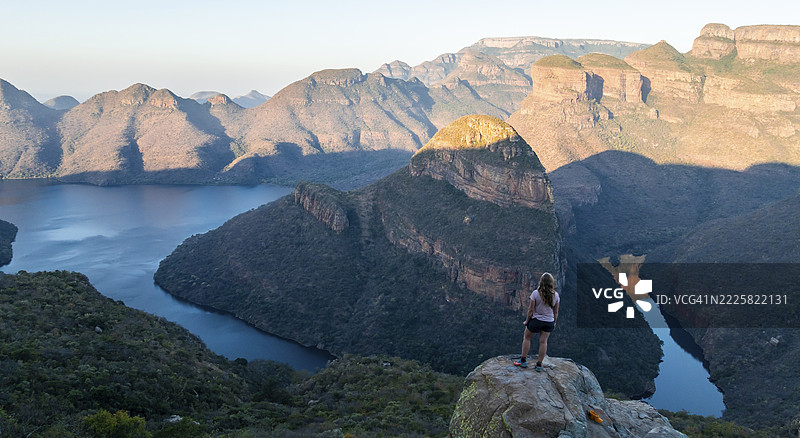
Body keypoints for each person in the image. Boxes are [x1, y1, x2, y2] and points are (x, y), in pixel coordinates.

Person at [514, 272, 559, 371]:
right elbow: (556, 312)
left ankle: (523, 360)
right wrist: (554, 322)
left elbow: (530, 310)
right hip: (549, 322)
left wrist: (527, 321)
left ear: (541, 282)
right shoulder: (556, 295)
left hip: (536, 320)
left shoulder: (535, 293)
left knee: (527, 338)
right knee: (543, 342)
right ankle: (539, 365)